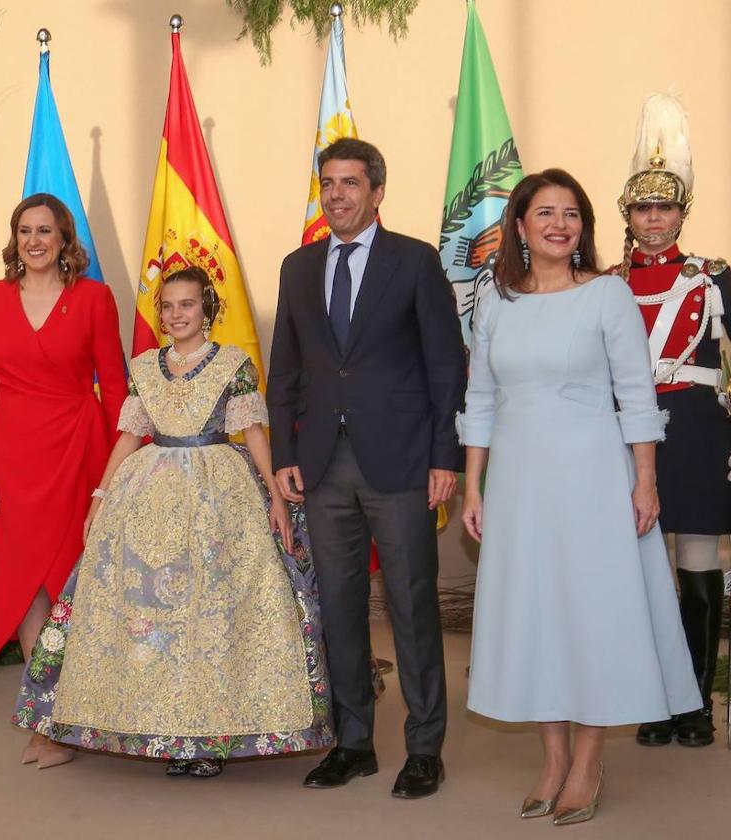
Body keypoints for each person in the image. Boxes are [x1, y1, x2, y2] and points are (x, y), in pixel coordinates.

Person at [13, 266, 333, 776]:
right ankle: (162, 732)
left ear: (207, 308)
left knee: (209, 616)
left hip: (216, 497)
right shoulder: (143, 367)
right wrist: (100, 495)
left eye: (186, 304)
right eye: (167, 306)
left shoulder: (233, 365)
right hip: (147, 497)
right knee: (152, 614)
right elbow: (127, 437)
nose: (176, 314)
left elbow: (252, 434)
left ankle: (208, 738)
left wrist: (274, 495)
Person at [458, 169, 701, 825]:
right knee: (535, 615)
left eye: (572, 213)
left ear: (584, 229)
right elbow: (480, 398)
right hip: (518, 484)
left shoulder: (607, 296)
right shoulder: (496, 300)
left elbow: (636, 394)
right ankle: (552, 759)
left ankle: (589, 764)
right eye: (546, 212)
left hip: (595, 479)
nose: (560, 223)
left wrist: (644, 481)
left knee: (592, 615)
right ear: (520, 226)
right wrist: (473, 484)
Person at [267, 137, 467, 798]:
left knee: (411, 606)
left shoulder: (414, 262)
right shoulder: (298, 267)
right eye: (328, 183)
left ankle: (423, 748)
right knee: (340, 611)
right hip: (322, 465)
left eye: (350, 183)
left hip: (403, 462)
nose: (337, 195)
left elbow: (446, 366)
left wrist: (447, 457)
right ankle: (352, 742)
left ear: (376, 192)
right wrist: (285, 459)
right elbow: (285, 374)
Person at [0, 193, 127, 766]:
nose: (35, 240)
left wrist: (119, 475)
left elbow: (116, 389)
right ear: (16, 239)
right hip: (11, 458)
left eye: (46, 230)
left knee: (73, 585)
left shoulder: (95, 299)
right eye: (25, 230)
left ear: (64, 239)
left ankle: (83, 715)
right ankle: (48, 720)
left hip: (78, 455)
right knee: (26, 589)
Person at [613, 94, 729, 749]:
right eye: (642, 207)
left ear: (682, 212)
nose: (653, 218)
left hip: (696, 430)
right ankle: (655, 698)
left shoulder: (714, 280)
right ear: (628, 214)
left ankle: (697, 706)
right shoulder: (604, 282)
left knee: (696, 561)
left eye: (665, 206)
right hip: (630, 435)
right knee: (643, 571)